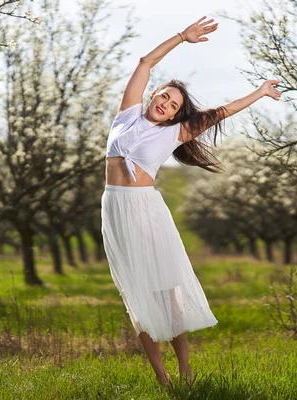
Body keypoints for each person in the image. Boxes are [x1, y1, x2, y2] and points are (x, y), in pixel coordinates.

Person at [101, 16, 281, 387]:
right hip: (115, 210)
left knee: (166, 289)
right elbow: (144, 63)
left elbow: (222, 113)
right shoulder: (126, 116)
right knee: (135, 296)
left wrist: (261, 92)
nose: (166, 103)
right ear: (154, 95)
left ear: (178, 113)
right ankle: (163, 378)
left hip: (146, 211)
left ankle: (185, 370)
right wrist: (182, 37)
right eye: (164, 95)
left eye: (174, 103)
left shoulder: (175, 132)